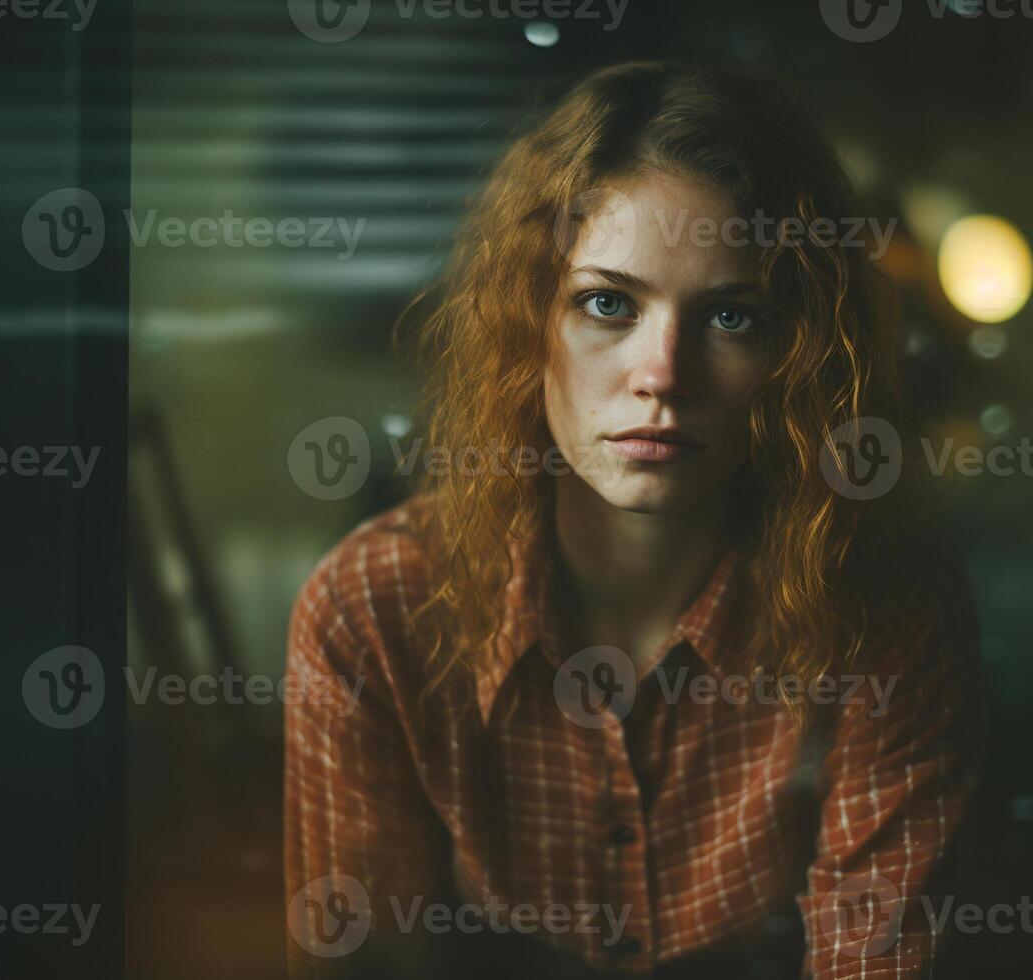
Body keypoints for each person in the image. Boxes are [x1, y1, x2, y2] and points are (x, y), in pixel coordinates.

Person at [284, 60, 982, 979]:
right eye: (607, 303)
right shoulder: (373, 613)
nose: (663, 375)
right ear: (527, 326)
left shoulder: (888, 617)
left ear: (797, 356)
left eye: (732, 315)